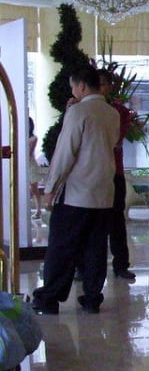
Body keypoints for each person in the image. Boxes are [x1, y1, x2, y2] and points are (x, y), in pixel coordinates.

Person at [31, 65, 120, 315]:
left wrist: (50, 188)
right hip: (103, 192)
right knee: (95, 247)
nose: (73, 92)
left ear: (81, 86)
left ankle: (49, 298)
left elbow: (65, 153)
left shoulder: (78, 112)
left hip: (78, 193)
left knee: (62, 246)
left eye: (73, 87)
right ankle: (92, 298)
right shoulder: (112, 113)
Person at [98, 68, 136, 281]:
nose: (99, 88)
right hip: (92, 175)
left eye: (103, 84)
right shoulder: (80, 110)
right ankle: (85, 267)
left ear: (110, 87)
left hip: (114, 173)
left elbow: (114, 139)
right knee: (91, 223)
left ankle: (121, 265)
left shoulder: (118, 112)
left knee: (116, 222)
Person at [26, 117, 42, 218]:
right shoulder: (19, 137)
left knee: (34, 189)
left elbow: (29, 153)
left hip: (31, 165)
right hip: (23, 165)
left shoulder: (33, 138)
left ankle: (38, 210)